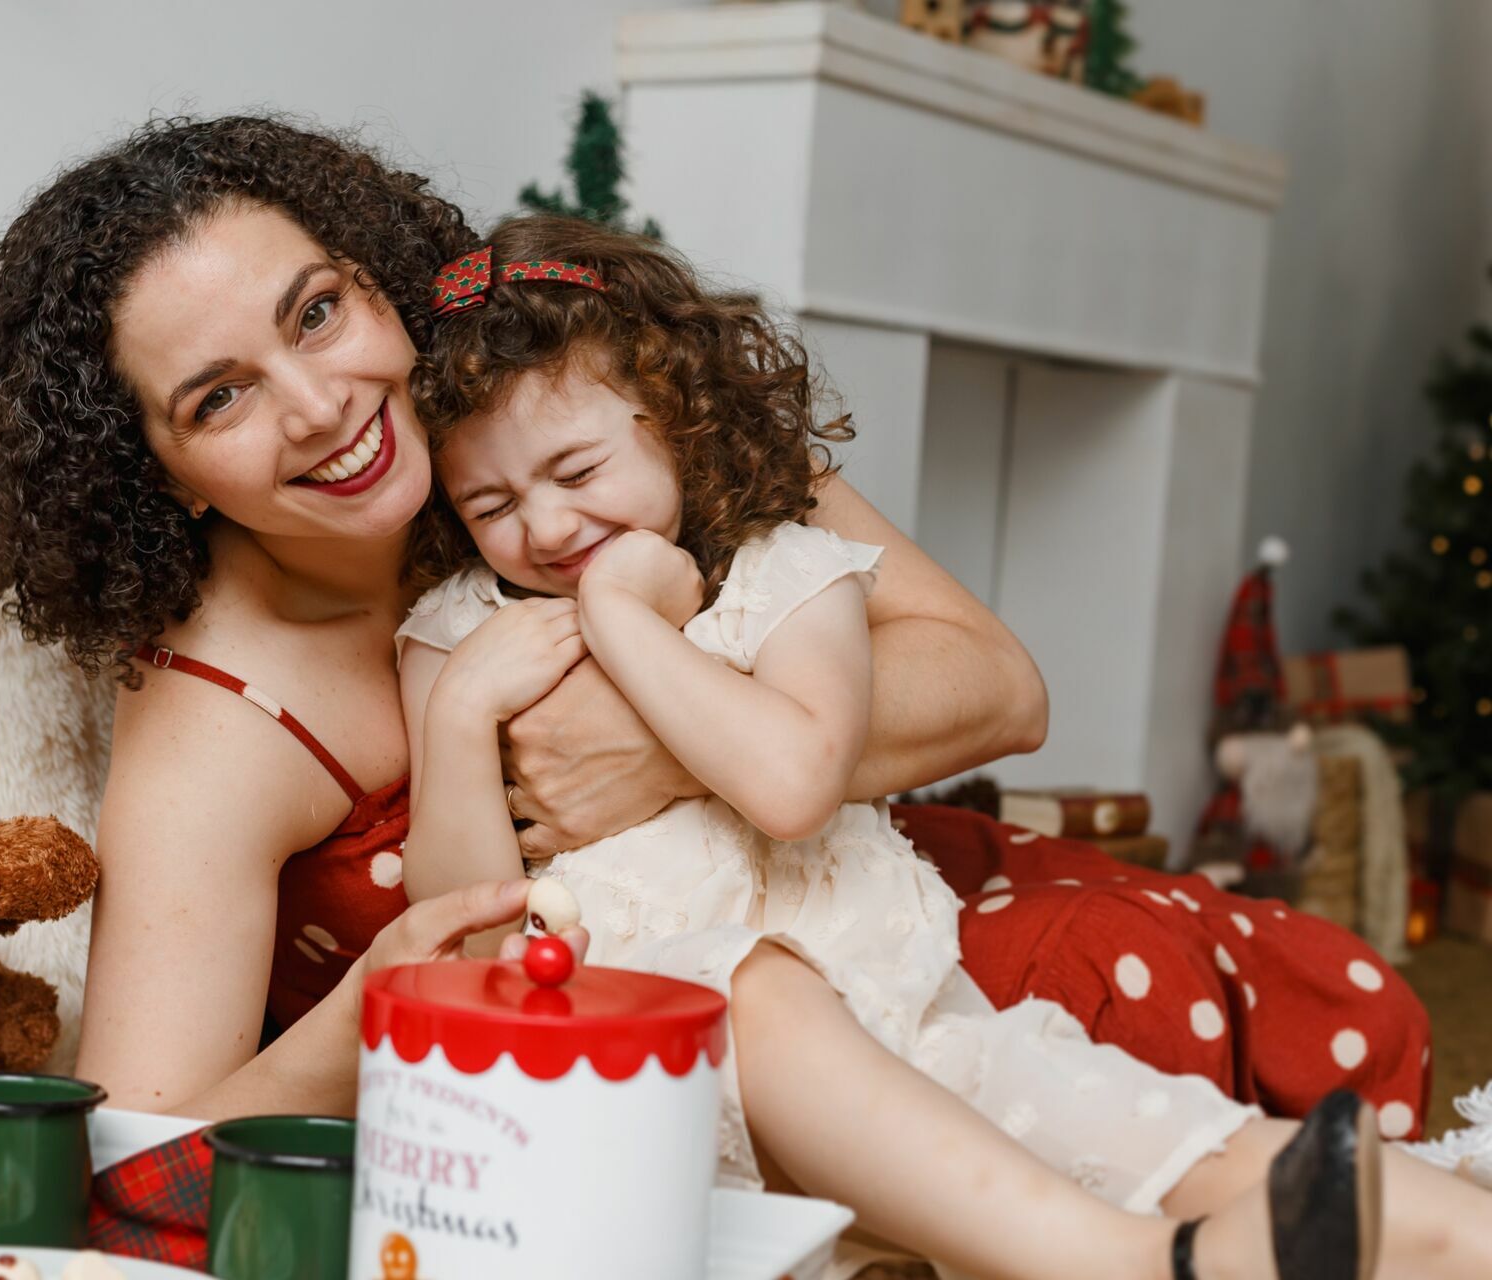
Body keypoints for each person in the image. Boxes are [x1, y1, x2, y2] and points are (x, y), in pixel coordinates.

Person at [393, 215, 1492, 1280]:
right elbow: (460, 932)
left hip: (906, 1008)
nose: (542, 529)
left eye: (577, 473)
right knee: (755, 989)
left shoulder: (789, 575)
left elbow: (789, 781)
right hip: (652, 1039)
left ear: (675, 420)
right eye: (490, 503)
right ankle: (1135, 1266)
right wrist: (455, 717)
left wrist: (625, 622)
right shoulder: (461, 632)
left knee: (1179, 1137)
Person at [0, 114, 1042, 1116]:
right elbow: (147, 1136)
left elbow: (1002, 685)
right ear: (163, 475)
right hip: (713, 1050)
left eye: (316, 313)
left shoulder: (571, 396)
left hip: (897, 913)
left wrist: (666, 751)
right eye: (221, 396)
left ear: (378, 287)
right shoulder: (219, 725)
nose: (319, 407)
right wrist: (391, 994)